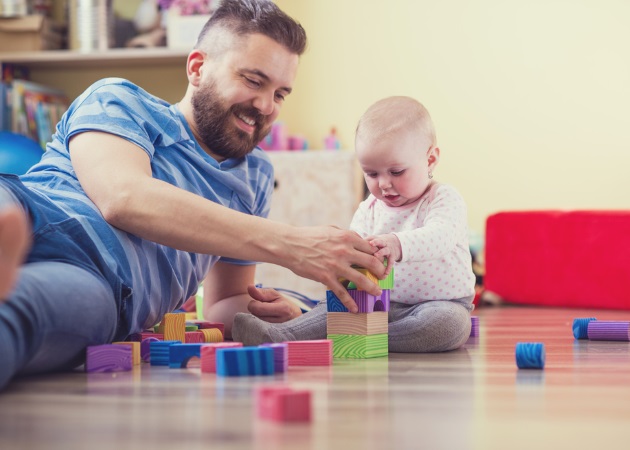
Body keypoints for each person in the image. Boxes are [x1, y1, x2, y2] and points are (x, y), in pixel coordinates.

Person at [0, 0, 385, 390]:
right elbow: (123, 197)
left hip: (101, 283)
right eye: (253, 81)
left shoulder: (254, 176)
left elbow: (222, 303)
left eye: (281, 94)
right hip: (32, 208)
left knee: (21, 314)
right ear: (198, 67)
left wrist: (282, 314)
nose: (266, 106)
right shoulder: (120, 99)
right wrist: (291, 244)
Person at [233, 96, 476, 352]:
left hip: (438, 304)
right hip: (374, 302)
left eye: (396, 172)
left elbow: (440, 236)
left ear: (430, 160)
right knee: (335, 305)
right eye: (371, 173)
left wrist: (397, 244)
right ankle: (281, 335)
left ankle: (367, 338)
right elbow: (351, 250)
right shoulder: (369, 208)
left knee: (449, 326)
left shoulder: (443, 199)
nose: (383, 184)